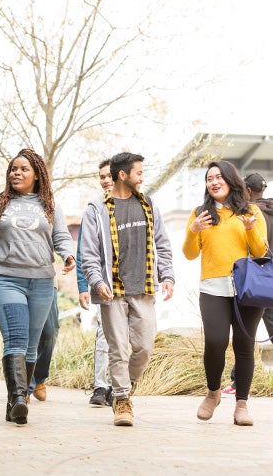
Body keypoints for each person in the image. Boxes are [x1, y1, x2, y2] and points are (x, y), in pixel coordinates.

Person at [0, 148, 76, 425]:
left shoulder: (50, 206)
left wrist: (68, 254)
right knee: (15, 338)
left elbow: (61, 235)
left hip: (41, 281)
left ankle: (15, 402)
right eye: (13, 168)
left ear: (37, 175)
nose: (16, 172)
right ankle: (18, 398)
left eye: (23, 169)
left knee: (31, 345)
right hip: (5, 279)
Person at [81, 152, 175, 426]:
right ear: (123, 175)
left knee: (144, 348)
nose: (142, 177)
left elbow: (162, 243)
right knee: (118, 348)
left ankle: (124, 385)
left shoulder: (147, 204)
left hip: (144, 288)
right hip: (112, 291)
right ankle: (122, 399)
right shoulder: (97, 208)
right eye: (138, 173)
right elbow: (89, 252)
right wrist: (98, 282)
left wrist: (167, 275)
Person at [182, 161, 268, 426]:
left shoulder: (251, 211)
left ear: (231, 180)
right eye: (209, 178)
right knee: (215, 342)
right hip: (212, 289)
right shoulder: (200, 213)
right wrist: (193, 231)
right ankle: (213, 393)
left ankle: (242, 403)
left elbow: (260, 252)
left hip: (246, 291)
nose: (214, 182)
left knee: (244, 345)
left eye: (219, 177)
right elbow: (189, 254)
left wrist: (251, 228)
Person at [221, 172, 273, 397]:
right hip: (271, 282)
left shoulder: (248, 214)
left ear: (248, 191)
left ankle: (236, 383)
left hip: (251, 282)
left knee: (244, 334)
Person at [77, 159, 114, 407]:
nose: (105, 180)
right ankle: (100, 387)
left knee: (125, 339)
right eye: (101, 176)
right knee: (103, 334)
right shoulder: (94, 208)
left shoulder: (135, 205)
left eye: (109, 175)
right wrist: (83, 285)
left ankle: (117, 386)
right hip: (102, 283)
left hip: (130, 284)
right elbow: (84, 249)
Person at [28, 278, 59, 402]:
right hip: (19, 277)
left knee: (49, 332)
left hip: (47, 279)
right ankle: (24, 385)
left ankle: (39, 378)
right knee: (24, 332)